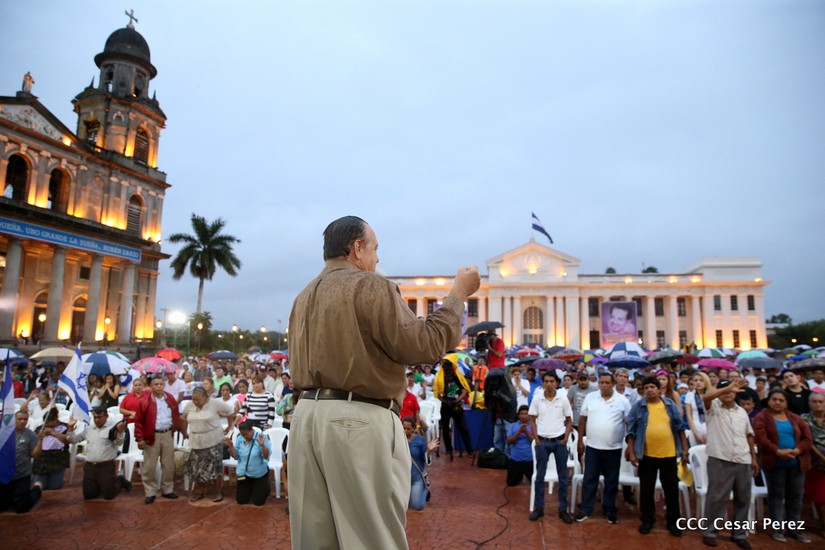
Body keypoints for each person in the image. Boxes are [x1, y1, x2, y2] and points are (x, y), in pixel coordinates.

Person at [288, 215, 479, 550]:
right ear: (357, 248)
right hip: (357, 420)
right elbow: (423, 345)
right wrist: (457, 295)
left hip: (305, 419)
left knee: (315, 539)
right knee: (373, 537)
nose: (377, 259)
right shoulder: (370, 286)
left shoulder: (303, 296)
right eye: (375, 249)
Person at [626, 376, 689, 537]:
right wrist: (632, 452)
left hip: (669, 454)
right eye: (646, 388)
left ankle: (673, 522)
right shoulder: (638, 406)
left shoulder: (669, 405)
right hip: (647, 455)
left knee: (671, 490)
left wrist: (685, 450)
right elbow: (631, 431)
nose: (649, 390)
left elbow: (680, 427)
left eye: (652, 387)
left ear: (659, 389)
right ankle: (647, 520)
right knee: (646, 490)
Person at [700, 379, 758, 549]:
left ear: (736, 393)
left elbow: (749, 435)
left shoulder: (742, 412)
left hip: (743, 459)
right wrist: (727, 387)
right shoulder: (713, 407)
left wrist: (753, 458)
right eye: (724, 390)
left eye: (731, 391)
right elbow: (706, 397)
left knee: (743, 498)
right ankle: (710, 532)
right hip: (720, 458)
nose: (728, 393)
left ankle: (739, 534)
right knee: (717, 498)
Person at [753, 388, 813, 543]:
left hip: (796, 463)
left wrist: (797, 450)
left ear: (787, 403)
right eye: (774, 399)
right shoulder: (761, 418)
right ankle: (777, 529)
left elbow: (808, 439)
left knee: (796, 497)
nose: (777, 402)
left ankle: (794, 529)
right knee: (776, 496)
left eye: (781, 400)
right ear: (769, 401)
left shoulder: (796, 418)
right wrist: (778, 451)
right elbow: (761, 439)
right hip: (774, 463)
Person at [575, 372, 631, 524]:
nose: (604, 385)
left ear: (613, 384)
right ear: (598, 384)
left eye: (607, 383)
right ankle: (586, 509)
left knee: (611, 480)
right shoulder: (590, 397)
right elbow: (582, 420)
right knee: (589, 479)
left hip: (614, 448)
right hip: (593, 447)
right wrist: (580, 441)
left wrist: (629, 445)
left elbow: (629, 423)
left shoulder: (622, 401)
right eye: (602, 382)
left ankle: (610, 510)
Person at [528, 370, 573, 523]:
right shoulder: (537, 399)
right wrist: (536, 439)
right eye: (546, 381)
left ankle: (563, 509)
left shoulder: (563, 399)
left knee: (563, 478)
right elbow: (532, 419)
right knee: (540, 477)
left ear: (557, 383)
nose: (549, 384)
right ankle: (539, 508)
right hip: (542, 442)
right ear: (543, 383)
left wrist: (565, 438)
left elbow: (569, 420)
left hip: (559, 442)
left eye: (552, 381)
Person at [134, 376, 183, 504]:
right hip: (151, 436)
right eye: (156, 384)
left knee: (168, 464)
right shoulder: (144, 401)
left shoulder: (170, 399)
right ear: (151, 386)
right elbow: (138, 421)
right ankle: (150, 492)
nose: (159, 386)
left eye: (161, 384)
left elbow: (176, 415)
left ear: (164, 385)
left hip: (167, 434)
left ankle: (167, 489)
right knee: (150, 465)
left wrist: (178, 427)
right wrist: (140, 438)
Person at [66, 407, 132, 500]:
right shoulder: (88, 429)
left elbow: (119, 443)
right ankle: (100, 485)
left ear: (106, 416)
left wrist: (120, 433)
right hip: (90, 466)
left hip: (106, 466)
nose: (97, 420)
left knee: (109, 496)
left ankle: (120, 480)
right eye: (95, 417)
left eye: (100, 417)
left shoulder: (113, 428)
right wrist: (70, 428)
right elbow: (73, 440)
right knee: (89, 496)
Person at [182, 387, 234, 502]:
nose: (195, 402)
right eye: (193, 399)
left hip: (213, 439)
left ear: (205, 397)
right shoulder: (190, 405)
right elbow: (184, 417)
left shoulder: (214, 403)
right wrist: (184, 431)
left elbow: (230, 411)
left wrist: (230, 425)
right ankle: (199, 491)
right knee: (197, 467)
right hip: (196, 441)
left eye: (198, 399)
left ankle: (218, 491)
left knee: (216, 466)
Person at [0, 411, 43, 513]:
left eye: (25, 419)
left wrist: (40, 441)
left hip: (22, 475)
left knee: (22, 508)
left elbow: (34, 455)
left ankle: (37, 489)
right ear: (14, 420)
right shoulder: (3, 433)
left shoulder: (30, 435)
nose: (22, 421)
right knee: (2, 506)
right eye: (19, 419)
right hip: (4, 474)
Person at [435, 358, 474, 460]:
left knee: (463, 428)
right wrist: (445, 401)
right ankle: (448, 449)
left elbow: (464, 391)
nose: (448, 371)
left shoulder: (458, 378)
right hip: (446, 406)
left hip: (457, 406)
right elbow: (437, 393)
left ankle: (469, 449)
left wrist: (457, 400)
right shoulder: (440, 378)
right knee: (445, 428)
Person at [226, 420, 271, 506]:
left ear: (251, 430)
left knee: (258, 502)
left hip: (259, 474)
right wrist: (231, 446)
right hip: (244, 473)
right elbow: (236, 456)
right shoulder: (240, 438)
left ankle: (266, 486)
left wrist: (262, 446)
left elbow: (266, 456)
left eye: (246, 434)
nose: (244, 436)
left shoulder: (262, 437)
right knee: (241, 500)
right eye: (242, 434)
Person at [801, 390, 825, 539]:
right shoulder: (805, 419)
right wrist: (822, 457)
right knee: (820, 496)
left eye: (821, 402)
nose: (817, 404)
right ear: (809, 403)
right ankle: (824, 526)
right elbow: (808, 441)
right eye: (814, 402)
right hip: (816, 462)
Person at [403, 416, 438, 511]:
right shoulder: (399, 439)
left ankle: (425, 490)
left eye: (408, 429)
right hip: (403, 478)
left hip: (416, 478)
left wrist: (429, 451)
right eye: (404, 428)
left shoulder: (419, 440)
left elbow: (427, 461)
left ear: (413, 429)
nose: (405, 431)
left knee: (417, 506)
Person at [31, 408, 70, 489]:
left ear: (56, 420)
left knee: (54, 486)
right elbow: (34, 441)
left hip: (58, 459)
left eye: (49, 422)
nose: (46, 424)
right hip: (42, 460)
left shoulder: (65, 427)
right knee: (39, 485)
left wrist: (53, 432)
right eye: (45, 422)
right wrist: (40, 437)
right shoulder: (40, 428)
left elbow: (68, 440)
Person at [505, 405, 534, 486]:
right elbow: (508, 441)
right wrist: (518, 432)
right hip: (516, 459)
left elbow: (535, 442)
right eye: (522, 414)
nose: (524, 416)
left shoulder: (533, 426)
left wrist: (526, 432)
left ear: (529, 415)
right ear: (518, 415)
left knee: (535, 483)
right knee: (511, 483)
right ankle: (519, 475)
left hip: (529, 459)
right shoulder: (513, 425)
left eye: (526, 413)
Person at [685, 371, 710, 445]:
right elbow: (689, 415)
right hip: (695, 427)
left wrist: (709, 434)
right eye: (695, 380)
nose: (698, 382)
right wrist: (695, 433)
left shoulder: (711, 395)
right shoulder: (689, 395)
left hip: (709, 428)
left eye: (701, 380)